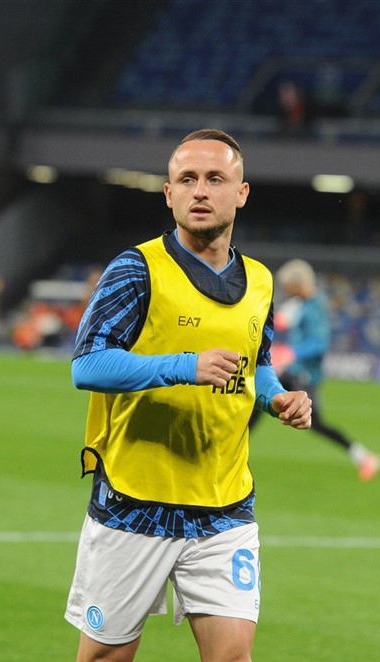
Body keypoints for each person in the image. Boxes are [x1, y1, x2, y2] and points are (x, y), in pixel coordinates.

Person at [65, 129, 313, 662]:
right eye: (187, 179)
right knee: (105, 658)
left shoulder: (261, 282)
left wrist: (276, 398)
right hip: (136, 503)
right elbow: (86, 365)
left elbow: (256, 364)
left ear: (241, 193)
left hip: (225, 506)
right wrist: (184, 366)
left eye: (215, 179)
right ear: (169, 193)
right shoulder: (136, 270)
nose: (200, 190)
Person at [250, 259, 380, 482]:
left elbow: (319, 343)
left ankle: (363, 456)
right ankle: (228, 453)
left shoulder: (315, 306)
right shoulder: (301, 303)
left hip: (304, 375)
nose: (286, 290)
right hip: (292, 371)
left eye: (288, 286)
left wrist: (291, 353)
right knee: (255, 403)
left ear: (298, 283)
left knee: (314, 422)